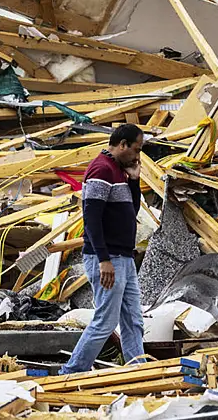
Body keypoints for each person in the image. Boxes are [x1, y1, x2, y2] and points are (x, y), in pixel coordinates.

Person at [60, 123, 144, 374]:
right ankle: (71, 371)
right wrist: (103, 259)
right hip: (108, 258)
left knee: (133, 320)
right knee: (106, 321)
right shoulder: (101, 169)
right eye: (136, 150)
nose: (137, 156)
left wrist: (135, 182)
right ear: (122, 145)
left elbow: (133, 211)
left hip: (123, 258)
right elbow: (92, 219)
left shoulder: (119, 171)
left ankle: (137, 371)